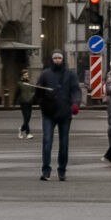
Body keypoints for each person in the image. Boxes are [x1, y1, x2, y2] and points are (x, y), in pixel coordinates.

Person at [34, 50, 84, 181]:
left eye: (59, 58)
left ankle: (62, 170)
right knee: (47, 142)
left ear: (63, 59)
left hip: (64, 113)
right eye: (55, 58)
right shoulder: (45, 74)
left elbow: (75, 91)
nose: (57, 60)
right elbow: (38, 93)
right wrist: (41, 99)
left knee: (64, 143)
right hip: (48, 113)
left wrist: (75, 103)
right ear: (52, 59)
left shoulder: (70, 74)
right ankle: (46, 170)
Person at [17, 63, 37, 140]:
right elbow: (17, 93)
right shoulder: (19, 84)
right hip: (23, 102)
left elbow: (33, 91)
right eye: (25, 75)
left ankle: (21, 129)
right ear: (22, 76)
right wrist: (15, 102)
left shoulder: (30, 83)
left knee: (28, 117)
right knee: (26, 117)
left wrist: (34, 95)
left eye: (27, 75)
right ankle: (28, 133)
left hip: (29, 102)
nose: (26, 76)